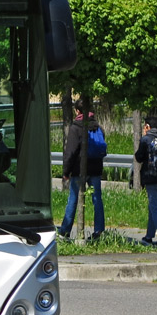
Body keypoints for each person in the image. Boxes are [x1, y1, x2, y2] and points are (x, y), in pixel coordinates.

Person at [58, 98, 105, 239]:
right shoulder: (98, 127)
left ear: (77, 111)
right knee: (97, 199)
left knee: (73, 199)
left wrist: (66, 172)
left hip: (79, 169)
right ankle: (99, 231)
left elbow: (70, 152)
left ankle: (65, 231)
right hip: (96, 169)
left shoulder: (76, 127)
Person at [135, 115, 157, 247]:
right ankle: (149, 236)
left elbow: (139, 157)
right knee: (153, 207)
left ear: (148, 126)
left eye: (145, 126)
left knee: (155, 207)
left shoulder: (146, 140)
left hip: (151, 177)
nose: (144, 128)